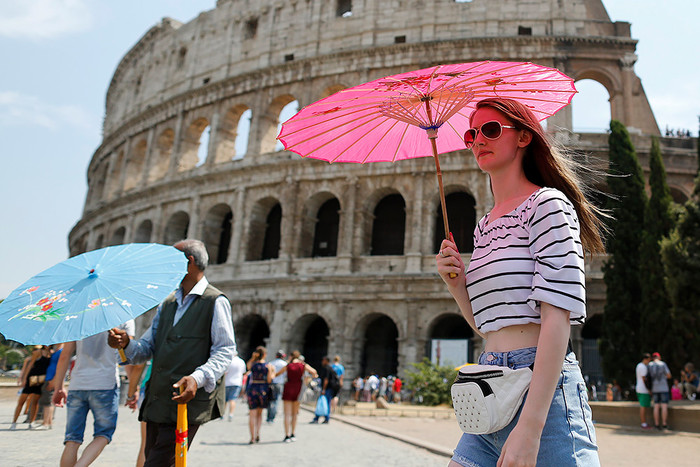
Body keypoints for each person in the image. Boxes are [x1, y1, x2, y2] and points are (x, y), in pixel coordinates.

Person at [436, 97, 604, 466]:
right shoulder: (485, 225)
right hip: (490, 384)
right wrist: (457, 286)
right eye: (471, 133)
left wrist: (531, 424)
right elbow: (487, 326)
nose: (478, 139)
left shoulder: (548, 205)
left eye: (491, 129)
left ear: (525, 137)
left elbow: (557, 319)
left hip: (544, 392)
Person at [108, 238, 236, 466]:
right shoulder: (167, 304)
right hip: (157, 401)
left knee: (156, 463)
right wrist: (126, 343)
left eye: (170, 262)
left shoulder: (215, 301)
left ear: (190, 262)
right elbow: (146, 348)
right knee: (156, 459)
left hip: (186, 402)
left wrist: (198, 378)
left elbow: (225, 351)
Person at [52, 322, 136, 467]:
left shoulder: (79, 317)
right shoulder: (123, 316)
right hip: (105, 384)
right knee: (103, 435)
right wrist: (132, 389)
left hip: (78, 383)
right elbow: (127, 357)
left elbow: (65, 356)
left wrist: (58, 387)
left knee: (72, 439)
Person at [275, 350, 318, 442]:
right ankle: (293, 434)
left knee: (287, 414)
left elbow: (277, 374)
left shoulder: (288, 365)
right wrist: (309, 379)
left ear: (291, 356)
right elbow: (314, 372)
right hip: (298, 388)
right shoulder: (303, 365)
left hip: (288, 387)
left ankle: (286, 435)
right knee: (295, 414)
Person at [11, 345, 50, 430]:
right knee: (21, 401)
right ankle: (14, 422)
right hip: (30, 380)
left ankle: (31, 422)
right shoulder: (34, 355)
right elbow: (29, 367)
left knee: (35, 403)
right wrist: (24, 379)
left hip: (40, 381)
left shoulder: (49, 356)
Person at [246, 346, 274, 444]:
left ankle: (252, 437)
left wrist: (253, 358)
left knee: (252, 414)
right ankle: (257, 433)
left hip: (253, 389)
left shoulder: (253, 364)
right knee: (259, 414)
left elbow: (247, 366)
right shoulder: (268, 366)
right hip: (263, 390)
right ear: (265, 354)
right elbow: (270, 380)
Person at [37, 343, 64, 430]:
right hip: (49, 377)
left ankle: (46, 423)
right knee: (49, 401)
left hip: (52, 378)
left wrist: (54, 380)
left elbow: (60, 367)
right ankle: (48, 422)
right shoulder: (56, 350)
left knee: (47, 402)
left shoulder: (61, 351)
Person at [310, 356, 340, 424]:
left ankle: (321, 417)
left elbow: (326, 380)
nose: (322, 362)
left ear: (326, 361)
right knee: (325, 402)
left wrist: (323, 389)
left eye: (323, 360)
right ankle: (323, 418)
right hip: (328, 389)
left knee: (324, 402)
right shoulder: (330, 368)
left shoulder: (326, 368)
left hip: (327, 389)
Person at [648, 352, 672, 430]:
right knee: (664, 406)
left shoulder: (650, 365)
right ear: (659, 357)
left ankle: (656, 424)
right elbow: (669, 375)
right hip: (663, 387)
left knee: (656, 406)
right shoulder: (663, 364)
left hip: (654, 388)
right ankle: (664, 424)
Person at [266, 350, 288, 423]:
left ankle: (268, 416)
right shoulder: (284, 364)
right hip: (279, 383)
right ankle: (272, 417)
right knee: (276, 400)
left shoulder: (271, 363)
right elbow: (286, 375)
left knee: (270, 400)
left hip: (271, 383)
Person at [223, 353, 246, 422]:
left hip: (227, 382)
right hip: (237, 383)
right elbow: (243, 372)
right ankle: (231, 414)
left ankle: (222, 414)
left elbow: (225, 372)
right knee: (233, 399)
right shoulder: (241, 361)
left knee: (225, 400)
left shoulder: (228, 361)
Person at [635, 353, 653, 430]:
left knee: (643, 406)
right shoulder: (643, 367)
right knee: (643, 407)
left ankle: (644, 423)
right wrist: (649, 389)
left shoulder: (639, 365)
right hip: (643, 389)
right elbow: (644, 379)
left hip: (639, 388)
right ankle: (643, 423)